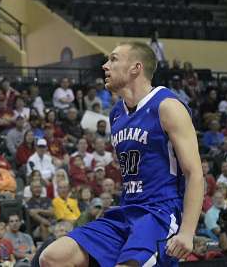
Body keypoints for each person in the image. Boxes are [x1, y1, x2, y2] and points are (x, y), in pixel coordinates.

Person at [39, 42, 203, 267]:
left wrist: (187, 233)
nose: (105, 65)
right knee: (52, 258)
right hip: (127, 211)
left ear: (135, 68)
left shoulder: (167, 106)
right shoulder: (116, 114)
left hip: (160, 213)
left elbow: (194, 173)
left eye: (113, 59)